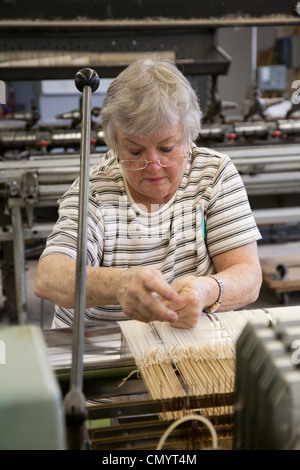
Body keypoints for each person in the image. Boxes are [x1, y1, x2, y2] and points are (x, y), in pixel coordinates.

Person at [34, 56, 262, 329]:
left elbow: (249, 277)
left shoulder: (213, 176)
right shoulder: (95, 191)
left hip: (190, 340)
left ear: (188, 137)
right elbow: (48, 277)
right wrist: (117, 284)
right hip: (105, 349)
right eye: (135, 151)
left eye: (166, 148)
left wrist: (207, 291)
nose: (152, 165)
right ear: (115, 144)